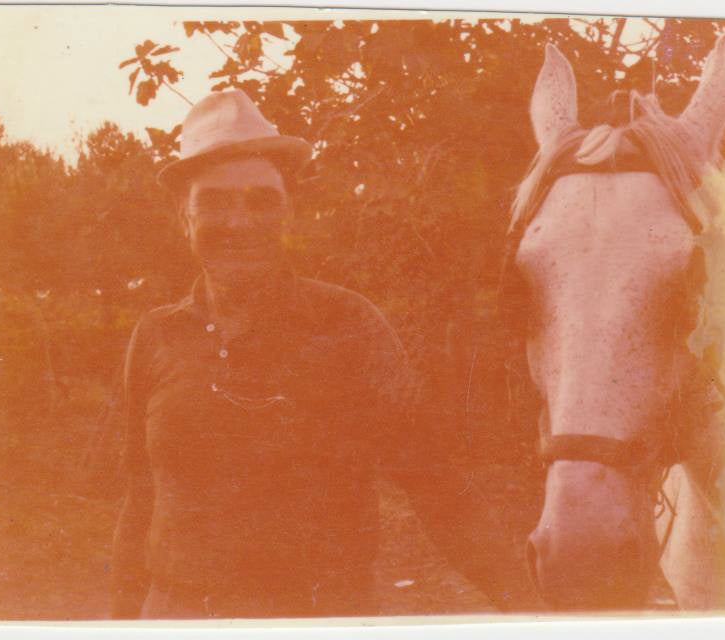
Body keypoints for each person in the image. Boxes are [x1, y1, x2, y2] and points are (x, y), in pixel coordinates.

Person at [110, 89, 530, 618]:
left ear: (289, 212)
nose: (239, 223)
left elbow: (438, 488)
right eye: (214, 201)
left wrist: (530, 611)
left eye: (261, 201)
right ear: (183, 216)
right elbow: (140, 497)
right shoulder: (157, 335)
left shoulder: (349, 324)